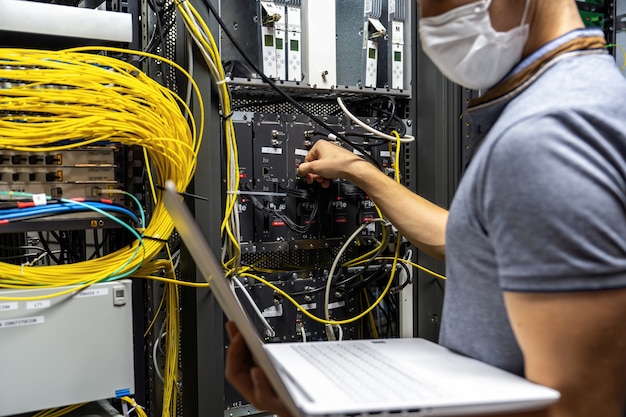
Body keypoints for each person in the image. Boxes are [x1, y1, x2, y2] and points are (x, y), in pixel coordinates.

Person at [225, 0, 626, 416]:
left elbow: (581, 404)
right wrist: (360, 171)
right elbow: (475, 245)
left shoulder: (548, 133)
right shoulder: (577, 101)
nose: (426, 18)